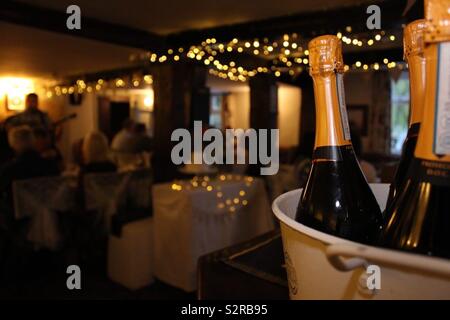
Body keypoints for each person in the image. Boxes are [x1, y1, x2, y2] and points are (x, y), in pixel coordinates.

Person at [0, 126, 60, 223]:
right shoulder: (50, 166)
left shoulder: (9, 170)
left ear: (13, 144)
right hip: (50, 220)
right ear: (33, 141)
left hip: (19, 223)